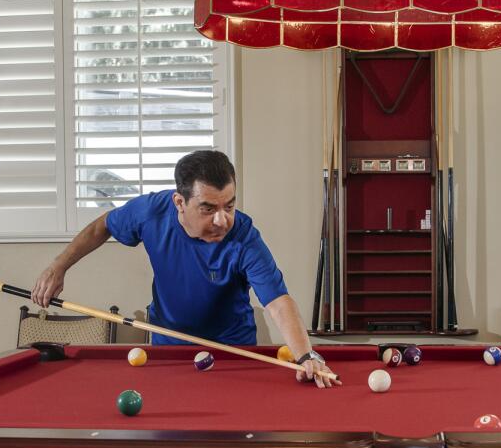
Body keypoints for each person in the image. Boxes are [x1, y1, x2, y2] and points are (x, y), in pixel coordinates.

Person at [32, 150, 340, 388]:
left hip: (234, 352)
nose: (222, 220)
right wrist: (59, 267)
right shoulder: (151, 212)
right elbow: (104, 225)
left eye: (229, 206)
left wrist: (306, 354)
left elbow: (277, 302)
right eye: (208, 208)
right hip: (169, 347)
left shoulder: (244, 236)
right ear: (180, 201)